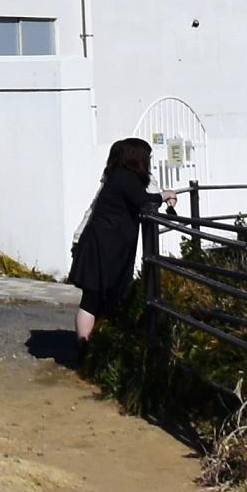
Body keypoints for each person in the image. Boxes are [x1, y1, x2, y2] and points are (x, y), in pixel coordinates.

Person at [67, 136, 162, 344]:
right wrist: (164, 196)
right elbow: (144, 200)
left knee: (94, 298)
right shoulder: (125, 178)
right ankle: (84, 346)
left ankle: (88, 344)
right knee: (92, 300)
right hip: (103, 248)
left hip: (101, 245)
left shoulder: (116, 177)